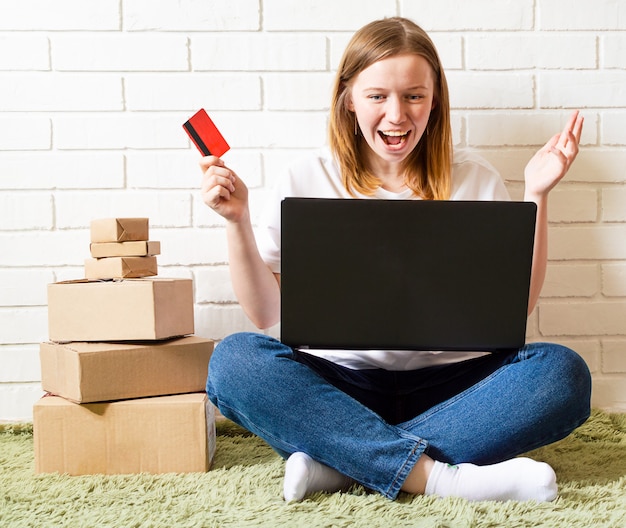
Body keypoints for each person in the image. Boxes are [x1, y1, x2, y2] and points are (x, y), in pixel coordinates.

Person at [199, 17, 591, 503]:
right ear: (348, 99)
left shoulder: (474, 178)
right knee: (235, 361)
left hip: (458, 388)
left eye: (414, 96)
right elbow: (266, 315)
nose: (396, 115)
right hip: (338, 386)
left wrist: (536, 195)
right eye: (377, 96)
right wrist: (236, 221)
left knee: (562, 374)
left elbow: (518, 308)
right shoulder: (304, 177)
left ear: (435, 100)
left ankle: (341, 463)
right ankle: (441, 479)